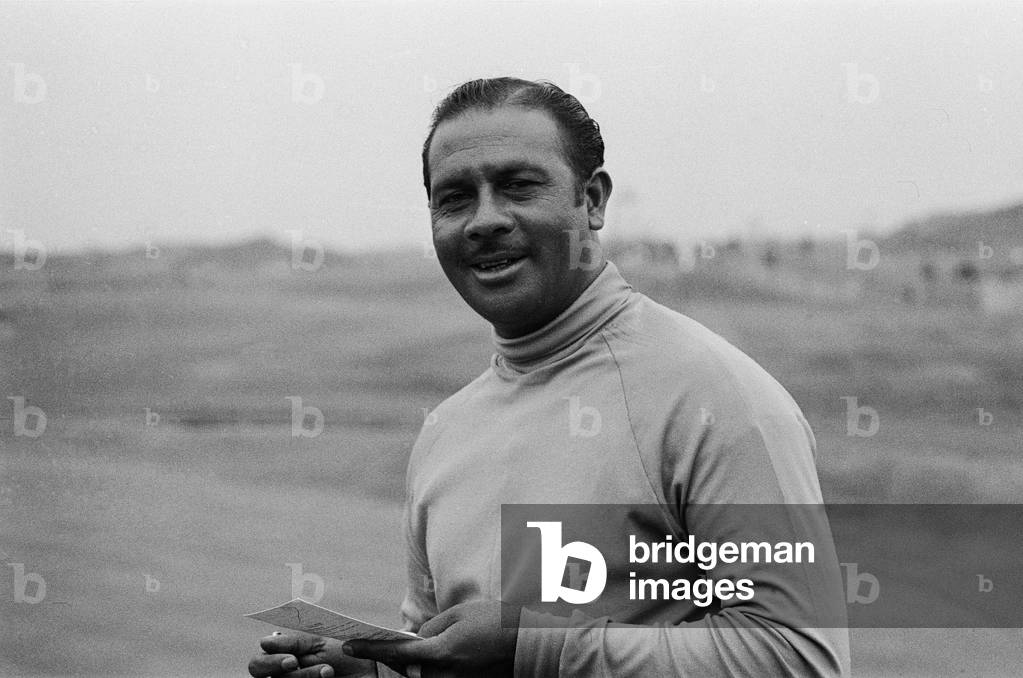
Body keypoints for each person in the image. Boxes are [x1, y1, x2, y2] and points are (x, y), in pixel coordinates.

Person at [248, 77, 850, 678]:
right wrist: (374, 672)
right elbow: (449, 658)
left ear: (592, 200)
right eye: (454, 197)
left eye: (518, 186)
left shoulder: (715, 399)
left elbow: (797, 657)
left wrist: (529, 645)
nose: (484, 220)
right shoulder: (446, 432)